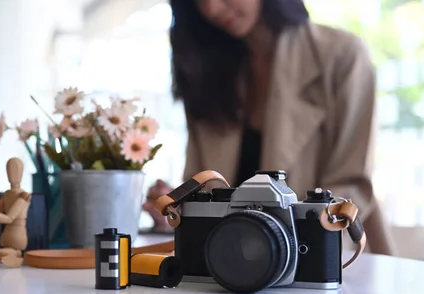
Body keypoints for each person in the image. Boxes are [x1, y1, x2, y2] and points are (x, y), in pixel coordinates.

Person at [159, 0, 396, 255]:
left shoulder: (342, 55)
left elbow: (350, 184)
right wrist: (175, 210)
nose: (211, 9)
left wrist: (289, 250)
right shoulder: (203, 69)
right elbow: (200, 183)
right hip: (224, 263)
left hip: (318, 261)